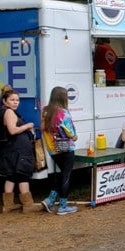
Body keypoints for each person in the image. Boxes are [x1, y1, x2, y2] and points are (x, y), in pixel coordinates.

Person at [0, 85, 38, 213]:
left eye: (17, 100)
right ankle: (28, 205)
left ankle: (8, 205)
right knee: (23, 175)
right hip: (18, 148)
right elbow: (12, 130)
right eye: (12, 100)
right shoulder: (9, 112)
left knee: (11, 175)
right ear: (5, 100)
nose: (15, 102)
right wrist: (28, 126)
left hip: (8, 148)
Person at [40, 86, 79, 215]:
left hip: (52, 149)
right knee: (66, 176)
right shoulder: (63, 113)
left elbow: (43, 129)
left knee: (63, 174)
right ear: (63, 98)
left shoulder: (45, 111)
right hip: (66, 148)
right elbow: (70, 132)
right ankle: (62, 206)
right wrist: (74, 136)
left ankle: (50, 200)